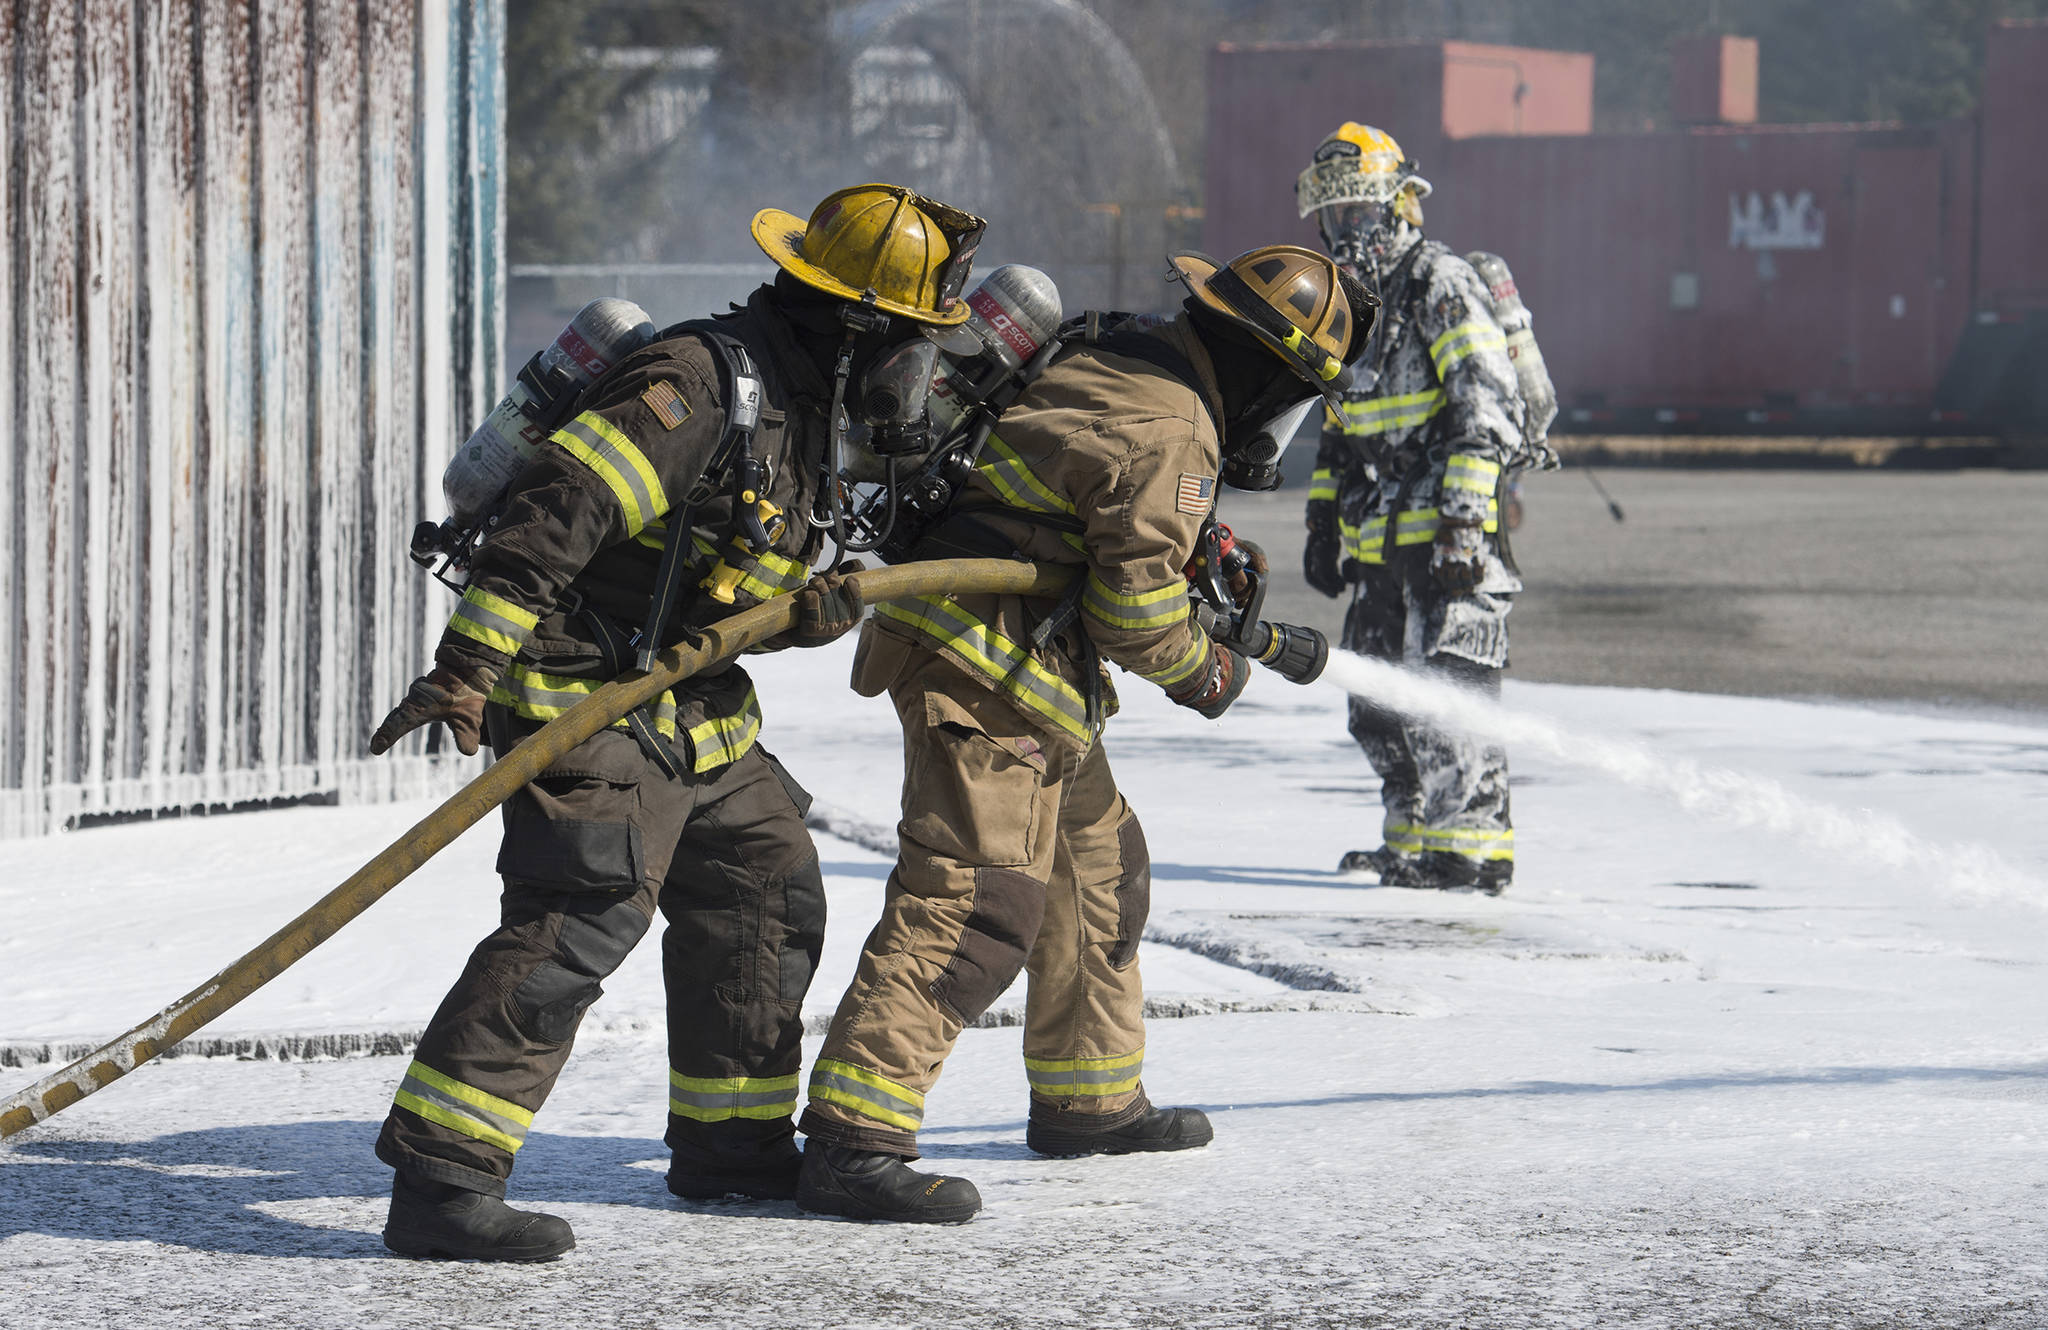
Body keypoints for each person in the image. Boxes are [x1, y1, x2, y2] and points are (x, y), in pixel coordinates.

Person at [364, 183, 986, 1261]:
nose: (916, 374)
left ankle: (731, 1143)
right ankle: (443, 1179)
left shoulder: (796, 416)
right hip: (581, 689)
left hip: (687, 703)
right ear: (855, 330)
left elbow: (721, 582)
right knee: (582, 909)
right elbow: (558, 516)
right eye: (910, 345)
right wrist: (465, 668)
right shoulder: (701, 385)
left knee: (765, 876)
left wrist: (807, 610)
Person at [792, 244, 1375, 1223]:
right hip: (987, 676)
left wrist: (1194, 551)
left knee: (1097, 862)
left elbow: (1087, 509)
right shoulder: (1170, 421)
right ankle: (857, 1136)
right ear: (1268, 369)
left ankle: (1089, 1099)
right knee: (976, 900)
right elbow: (1137, 618)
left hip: (1017, 667)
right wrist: (1211, 671)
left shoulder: (1125, 351)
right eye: (1293, 392)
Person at [1296, 123, 1543, 896]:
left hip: (1446, 534)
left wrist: (1467, 522)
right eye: (1335, 219)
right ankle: (1409, 837)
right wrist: (1323, 521)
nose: (1346, 233)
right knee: (1375, 705)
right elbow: (1340, 427)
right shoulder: (1353, 306)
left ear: (1402, 204)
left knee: (1451, 700)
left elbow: (1489, 408)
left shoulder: (1441, 282)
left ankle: (1472, 848)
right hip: (1378, 536)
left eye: (1360, 214)